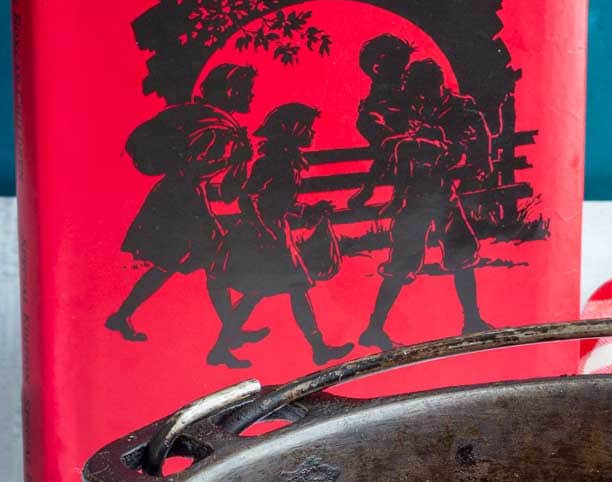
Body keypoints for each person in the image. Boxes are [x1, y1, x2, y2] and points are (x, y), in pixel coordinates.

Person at [107, 63, 258, 342]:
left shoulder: (221, 124)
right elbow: (190, 170)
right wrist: (233, 160)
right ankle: (231, 329)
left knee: (184, 263)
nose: (251, 96)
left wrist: (239, 163)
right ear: (230, 91)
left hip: (183, 200)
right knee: (204, 261)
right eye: (247, 91)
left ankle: (123, 315)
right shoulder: (214, 128)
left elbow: (227, 192)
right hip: (182, 202)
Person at [359, 59, 493, 349]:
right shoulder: (412, 110)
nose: (419, 99)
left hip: (444, 192)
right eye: (416, 93)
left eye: (423, 91)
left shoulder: (461, 108)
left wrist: (480, 160)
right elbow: (389, 138)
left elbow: (479, 135)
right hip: (415, 196)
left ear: (437, 84)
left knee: (462, 251)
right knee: (403, 261)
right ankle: (373, 329)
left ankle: (471, 321)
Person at [210, 102, 350, 368]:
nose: (312, 133)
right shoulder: (272, 162)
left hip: (275, 233)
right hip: (260, 236)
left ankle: (318, 348)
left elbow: (277, 201)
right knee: (259, 293)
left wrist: (311, 210)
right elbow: (247, 199)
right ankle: (219, 349)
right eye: (307, 128)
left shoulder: (287, 161)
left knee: (292, 290)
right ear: (292, 130)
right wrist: (265, 232)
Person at [348, 34, 415, 211]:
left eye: (404, 65)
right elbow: (374, 113)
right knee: (389, 143)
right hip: (384, 128)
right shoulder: (380, 92)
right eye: (398, 66)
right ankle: (369, 189)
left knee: (392, 144)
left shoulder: (405, 84)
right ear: (378, 67)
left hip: (401, 138)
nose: (403, 71)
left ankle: (369, 189)